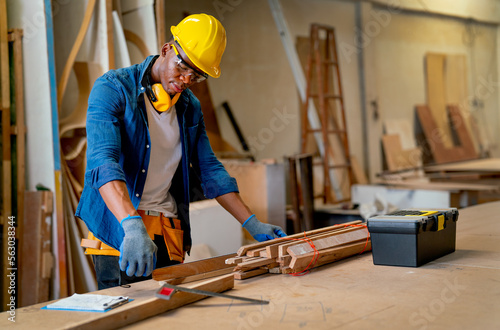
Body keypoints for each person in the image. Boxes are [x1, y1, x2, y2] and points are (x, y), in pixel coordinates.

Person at [76, 14, 286, 290]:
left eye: (196, 75)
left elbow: (210, 169)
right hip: (123, 234)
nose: (186, 78)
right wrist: (131, 224)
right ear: (166, 49)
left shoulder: (189, 107)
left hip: (168, 233)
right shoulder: (113, 89)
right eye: (182, 66)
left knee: (172, 315)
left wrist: (252, 222)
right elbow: (103, 162)